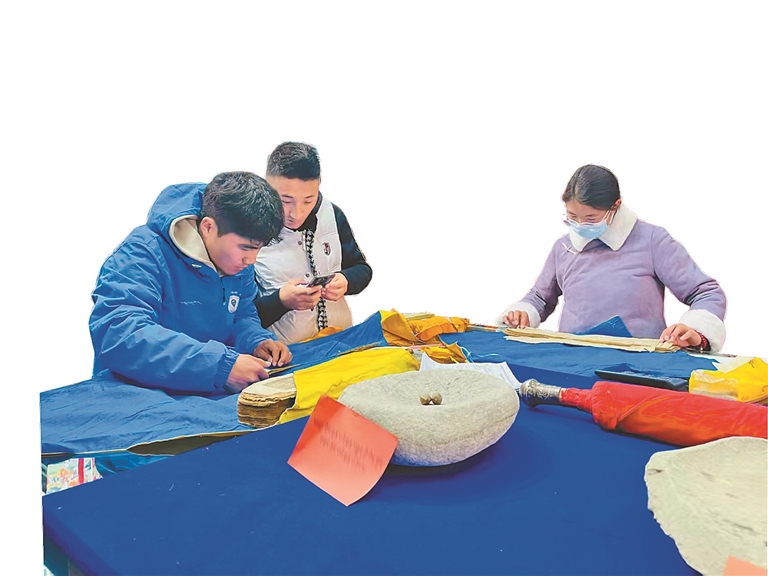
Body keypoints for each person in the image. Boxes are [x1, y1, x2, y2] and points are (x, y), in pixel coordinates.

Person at [89, 171, 292, 395]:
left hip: (203, 395)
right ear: (208, 227)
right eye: (246, 248)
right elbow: (119, 335)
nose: (252, 260)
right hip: (134, 395)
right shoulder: (140, 255)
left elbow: (241, 315)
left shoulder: (237, 263)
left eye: (258, 249)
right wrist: (217, 366)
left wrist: (256, 340)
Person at [496, 164, 727, 352]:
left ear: (616, 206)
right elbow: (540, 297)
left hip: (639, 363)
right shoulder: (564, 247)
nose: (580, 225)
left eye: (591, 218)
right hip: (572, 358)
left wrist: (694, 330)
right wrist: (523, 313)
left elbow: (706, 292)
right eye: (572, 217)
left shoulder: (652, 241)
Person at [254, 142, 373, 343]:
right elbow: (238, 316)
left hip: (340, 341)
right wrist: (281, 301)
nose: (296, 213)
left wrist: (346, 280)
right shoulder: (249, 226)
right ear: (267, 185)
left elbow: (362, 269)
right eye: (285, 200)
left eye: (308, 200)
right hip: (285, 353)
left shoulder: (332, 214)